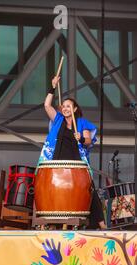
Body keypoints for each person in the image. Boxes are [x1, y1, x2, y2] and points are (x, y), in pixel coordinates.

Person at [39, 76, 106, 229]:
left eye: (69, 106)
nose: (66, 108)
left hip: (77, 162)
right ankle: (47, 221)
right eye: (64, 106)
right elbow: (47, 105)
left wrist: (81, 138)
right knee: (50, 187)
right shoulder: (58, 120)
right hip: (57, 160)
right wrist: (53, 86)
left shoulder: (82, 123)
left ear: (75, 109)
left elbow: (88, 141)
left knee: (90, 190)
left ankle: (102, 224)